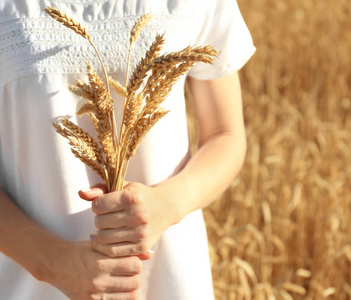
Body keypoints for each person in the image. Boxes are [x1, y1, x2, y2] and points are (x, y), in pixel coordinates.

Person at [0, 0, 255, 299]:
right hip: (33, 283)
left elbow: (225, 135)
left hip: (166, 275)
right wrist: (53, 263)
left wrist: (167, 203)